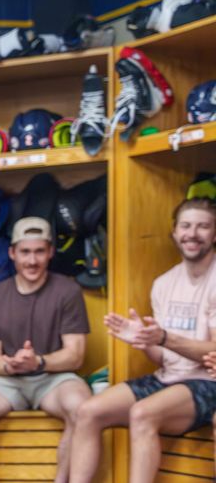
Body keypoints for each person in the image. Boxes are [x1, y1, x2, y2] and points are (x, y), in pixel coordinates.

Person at [70, 197, 216, 483]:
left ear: (214, 233)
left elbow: (213, 353)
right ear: (174, 231)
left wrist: (163, 337)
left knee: (142, 413)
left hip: (207, 383)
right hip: (167, 378)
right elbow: (162, 358)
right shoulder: (163, 283)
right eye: (186, 226)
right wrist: (143, 340)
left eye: (203, 227)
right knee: (88, 411)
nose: (193, 234)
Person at [0, 217, 91, 483]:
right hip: (9, 381)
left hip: (54, 379)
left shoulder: (68, 291)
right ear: (12, 253)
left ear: (50, 252)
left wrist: (37, 362)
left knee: (82, 408)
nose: (32, 261)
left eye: (39, 251)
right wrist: (11, 365)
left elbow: (75, 355)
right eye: (25, 252)